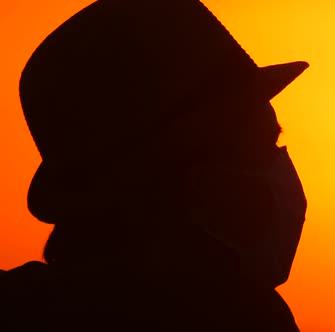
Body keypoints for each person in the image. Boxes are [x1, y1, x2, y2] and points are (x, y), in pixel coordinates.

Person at [0, 0, 308, 330]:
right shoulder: (239, 315)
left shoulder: (26, 307)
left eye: (272, 142)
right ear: (159, 177)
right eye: (254, 147)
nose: (276, 168)